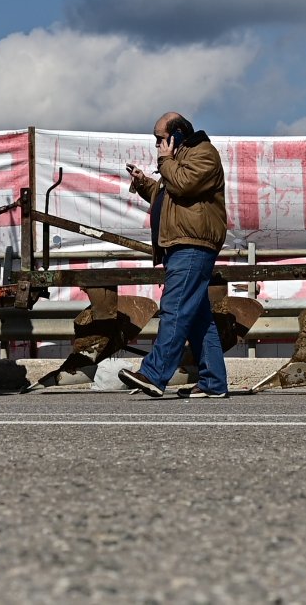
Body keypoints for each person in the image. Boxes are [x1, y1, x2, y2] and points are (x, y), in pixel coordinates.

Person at [117, 112, 230, 400]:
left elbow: (183, 185)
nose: (157, 145)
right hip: (180, 245)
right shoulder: (179, 161)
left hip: (193, 244)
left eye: (160, 138)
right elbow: (170, 195)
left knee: (175, 308)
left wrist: (165, 161)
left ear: (177, 134)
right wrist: (145, 184)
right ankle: (213, 382)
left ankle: (154, 375)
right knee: (197, 319)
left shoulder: (204, 154)